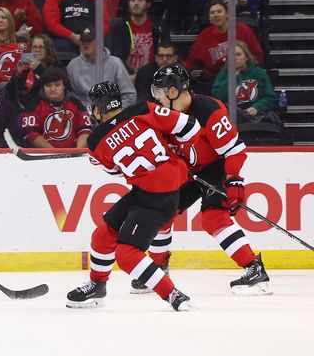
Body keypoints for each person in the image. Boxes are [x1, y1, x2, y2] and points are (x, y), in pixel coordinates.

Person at [137, 63, 271, 295]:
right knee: (161, 213)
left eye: (160, 91)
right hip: (187, 170)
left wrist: (233, 180)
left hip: (216, 167)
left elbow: (234, 149)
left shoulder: (209, 110)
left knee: (213, 218)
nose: (157, 97)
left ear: (173, 91)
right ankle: (159, 268)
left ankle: (254, 268)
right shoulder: (162, 115)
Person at [66, 81, 201, 311]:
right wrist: (173, 143)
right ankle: (97, 285)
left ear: (97, 109)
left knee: (127, 254)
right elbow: (191, 127)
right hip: (148, 192)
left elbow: (116, 172)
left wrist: (98, 157)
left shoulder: (95, 142)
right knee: (103, 235)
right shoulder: (143, 109)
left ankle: (173, 294)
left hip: (158, 198)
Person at [183, 0, 264, 90]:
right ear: (209, 18)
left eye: (219, 11)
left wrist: (250, 72)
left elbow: (257, 55)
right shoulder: (204, 36)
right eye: (212, 13)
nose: (216, 15)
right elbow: (192, 61)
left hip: (242, 75)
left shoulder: (243, 30)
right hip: (214, 79)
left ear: (227, 14)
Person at [19, 66, 92, 149]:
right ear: (43, 87)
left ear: (64, 86)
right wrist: (54, 152)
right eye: (48, 85)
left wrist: (77, 151)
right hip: (43, 155)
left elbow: (85, 130)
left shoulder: (76, 103)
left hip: (74, 153)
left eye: (57, 85)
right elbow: (31, 133)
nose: (53, 89)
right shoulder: (33, 105)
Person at [211, 41, 279, 125]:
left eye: (238, 54)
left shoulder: (258, 73)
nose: (235, 58)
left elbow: (270, 97)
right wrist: (231, 78)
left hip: (256, 117)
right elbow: (217, 98)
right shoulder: (223, 74)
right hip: (230, 119)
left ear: (247, 57)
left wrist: (256, 108)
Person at [67, 27, 137, 108]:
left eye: (89, 40)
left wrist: (112, 111)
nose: (85, 43)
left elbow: (129, 96)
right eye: (82, 41)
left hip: (113, 112)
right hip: (84, 113)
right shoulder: (72, 66)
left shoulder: (115, 64)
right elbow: (72, 98)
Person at [105, 0, 167, 76]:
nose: (136, 3)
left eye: (140, 0)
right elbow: (115, 55)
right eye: (133, 0)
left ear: (148, 4)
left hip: (151, 76)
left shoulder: (158, 27)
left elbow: (167, 52)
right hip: (124, 76)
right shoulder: (119, 26)